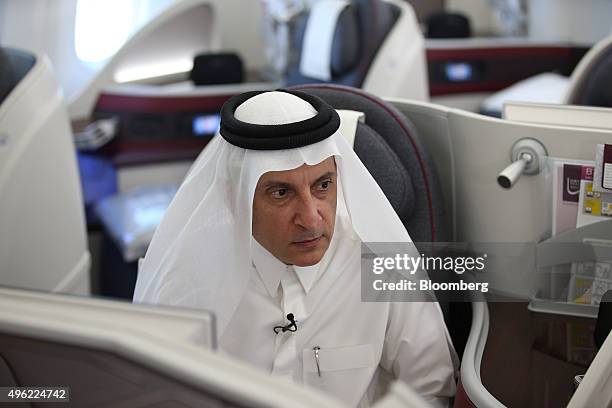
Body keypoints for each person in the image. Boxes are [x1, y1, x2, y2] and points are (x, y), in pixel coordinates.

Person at [133, 89, 457, 407]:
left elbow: (430, 387)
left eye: (323, 185)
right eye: (281, 193)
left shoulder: (379, 263)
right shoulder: (188, 279)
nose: (312, 220)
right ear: (235, 198)